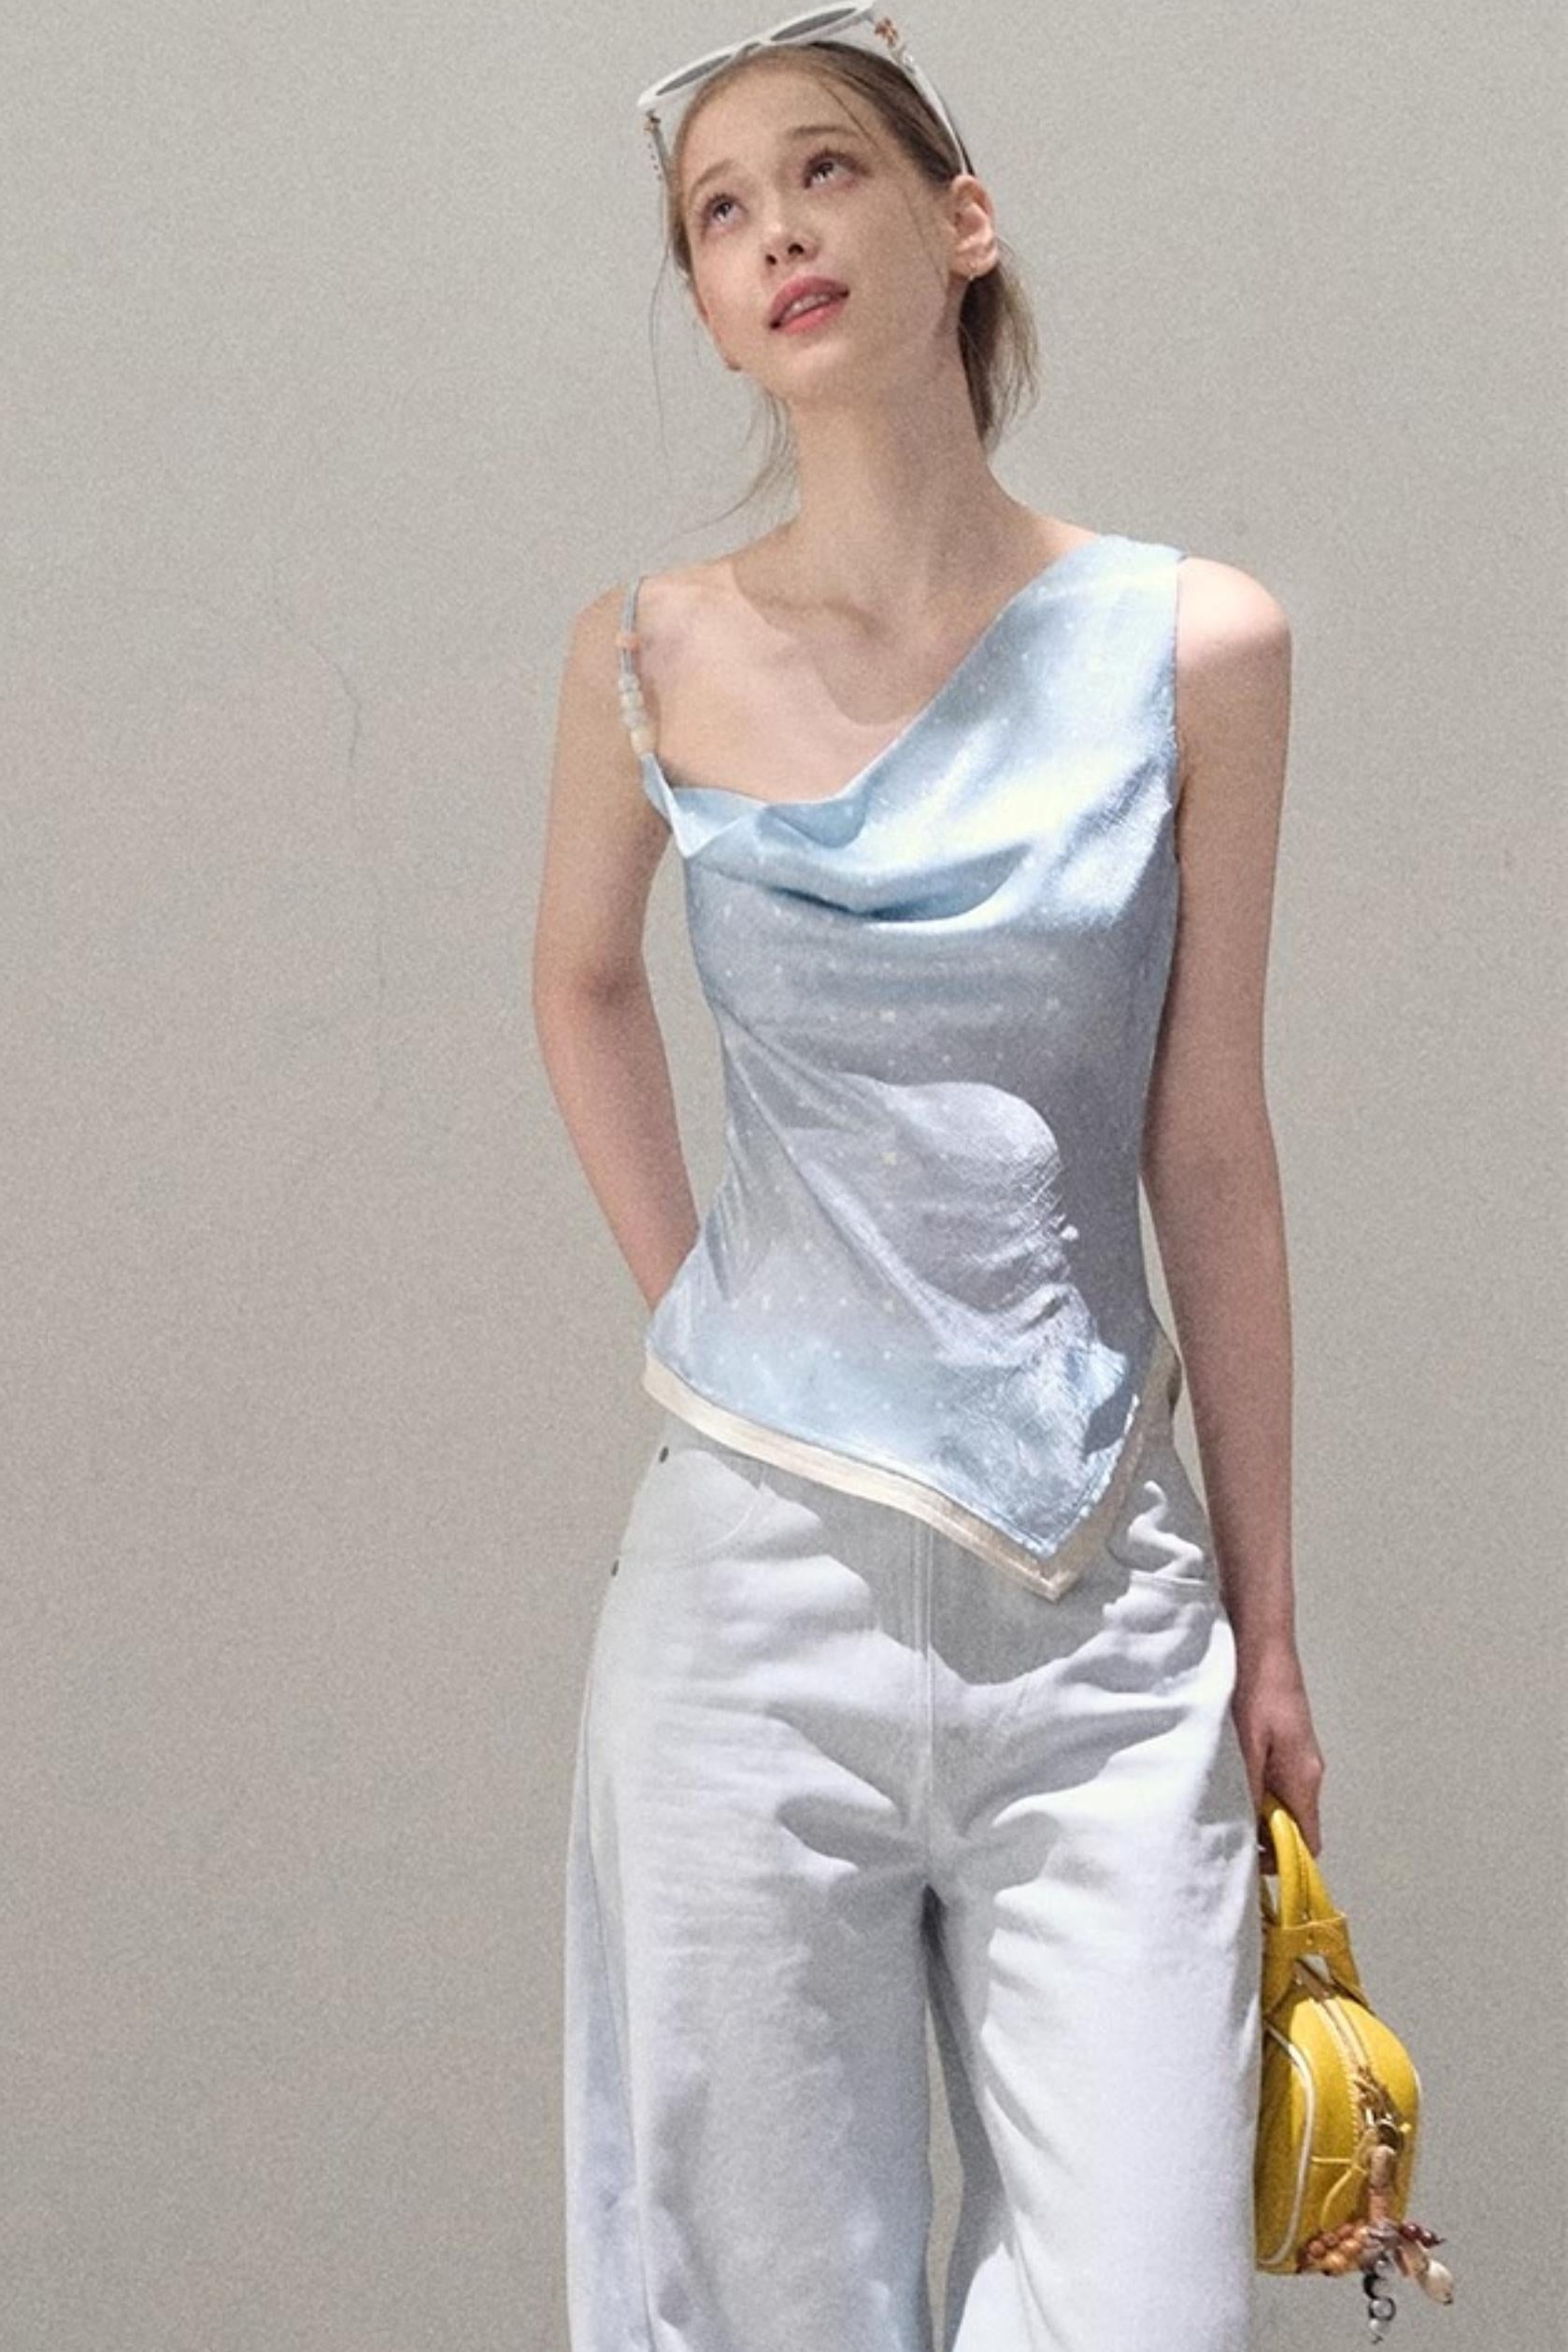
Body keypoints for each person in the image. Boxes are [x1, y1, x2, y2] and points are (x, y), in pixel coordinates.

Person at [531, 15, 1326, 2348]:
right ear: (708, 304)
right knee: (756, 2307)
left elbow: (1207, 1137)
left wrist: (1265, 1623)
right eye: (718, 211)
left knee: (1138, 2306)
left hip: (1099, 1596)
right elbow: (576, 986)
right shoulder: (640, 656)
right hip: (746, 1614)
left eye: (826, 172)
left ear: (956, 220)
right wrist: (718, 1312)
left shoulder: (1194, 644)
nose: (775, 230)